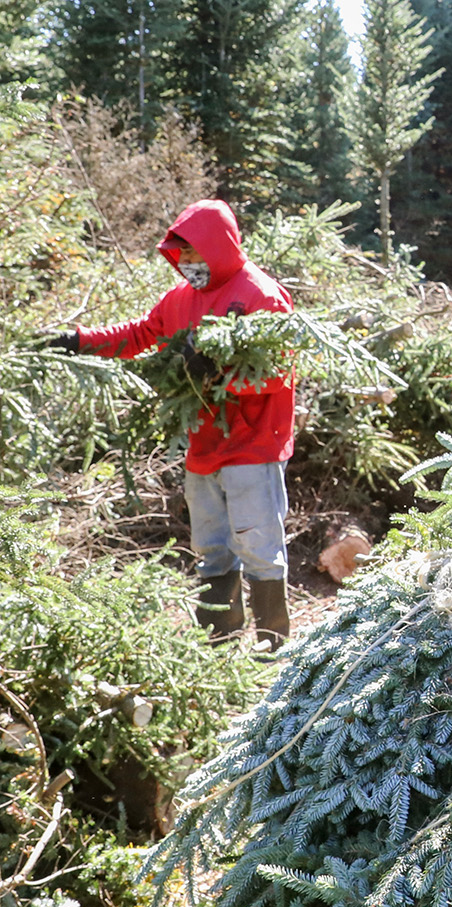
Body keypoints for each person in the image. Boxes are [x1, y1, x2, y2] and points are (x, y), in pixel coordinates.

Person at [42, 199, 296, 649]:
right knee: (211, 548)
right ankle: (217, 649)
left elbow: (279, 373)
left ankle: (273, 647)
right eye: (183, 256)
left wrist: (218, 373)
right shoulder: (180, 300)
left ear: (219, 247)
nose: (190, 264)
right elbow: (141, 334)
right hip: (203, 448)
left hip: (253, 446)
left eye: (197, 254)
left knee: (259, 549)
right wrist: (78, 341)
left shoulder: (260, 295)